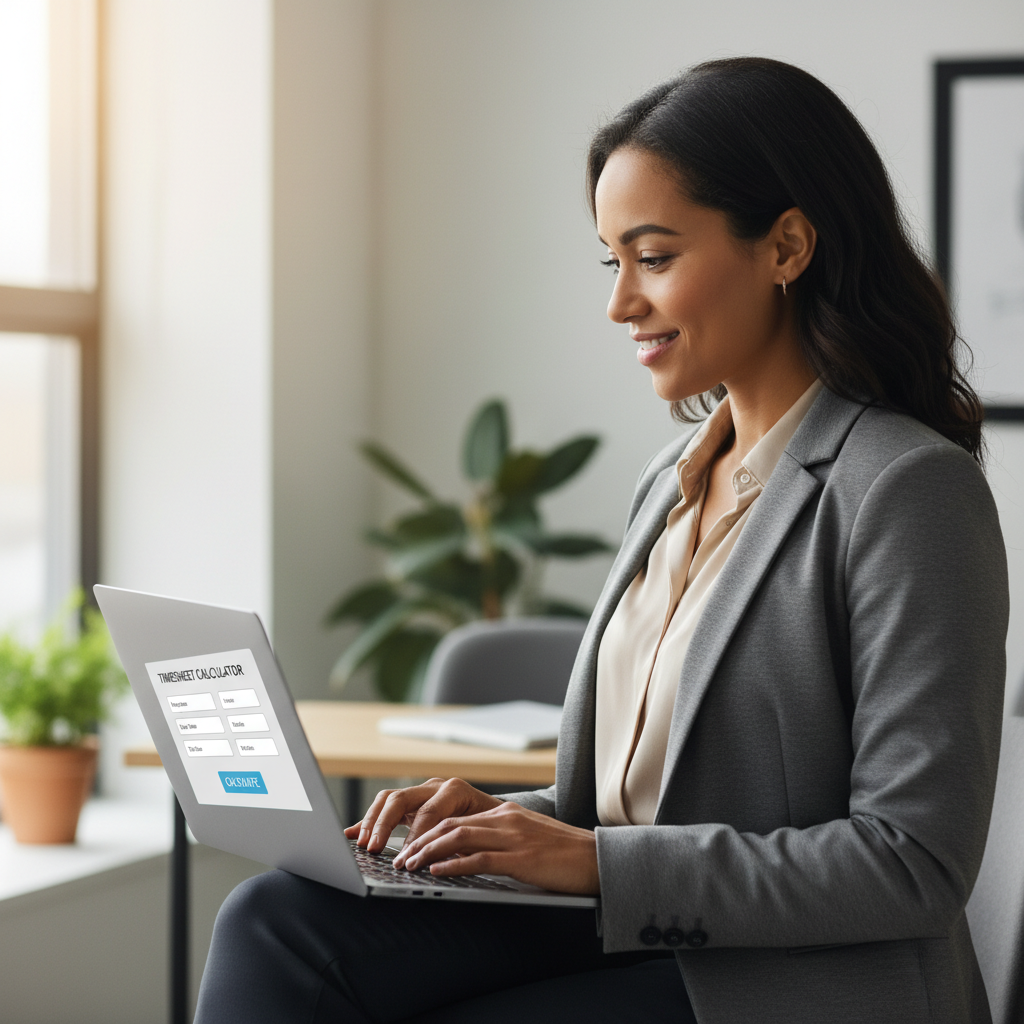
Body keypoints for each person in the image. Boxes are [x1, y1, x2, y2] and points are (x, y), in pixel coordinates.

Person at [194, 57, 1008, 1024]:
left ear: (786, 245)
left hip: (783, 982)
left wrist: (586, 859)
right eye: (611, 261)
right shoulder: (666, 485)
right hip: (628, 932)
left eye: (654, 258)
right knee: (277, 921)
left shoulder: (907, 489)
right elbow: (622, 811)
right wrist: (503, 826)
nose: (620, 303)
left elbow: (912, 863)